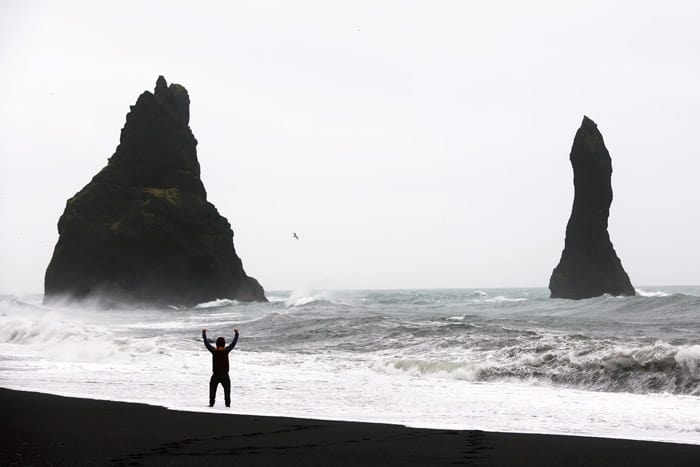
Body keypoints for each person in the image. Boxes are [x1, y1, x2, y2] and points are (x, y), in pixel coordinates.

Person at [202, 327, 239, 407]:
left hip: (215, 375)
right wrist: (236, 333)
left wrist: (204, 333)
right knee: (227, 391)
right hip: (225, 375)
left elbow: (206, 343)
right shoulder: (226, 350)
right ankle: (228, 406)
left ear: (217, 344)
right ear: (224, 344)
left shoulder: (214, 351)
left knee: (212, 390)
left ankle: (211, 405)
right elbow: (234, 343)